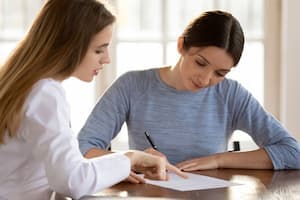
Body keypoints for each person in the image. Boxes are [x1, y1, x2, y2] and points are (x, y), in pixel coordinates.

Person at [78, 9, 300, 182]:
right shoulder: (132, 85)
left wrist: (218, 160)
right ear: (182, 45)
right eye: (200, 63)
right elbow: (81, 149)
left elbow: (292, 152)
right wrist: (132, 159)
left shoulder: (231, 94)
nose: (205, 80)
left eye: (220, 73)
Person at [0, 0, 187, 199]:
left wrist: (114, 170)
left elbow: (62, 172)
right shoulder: (46, 94)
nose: (107, 59)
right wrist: (131, 158)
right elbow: (72, 181)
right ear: (68, 46)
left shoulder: (21, 85)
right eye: (99, 49)